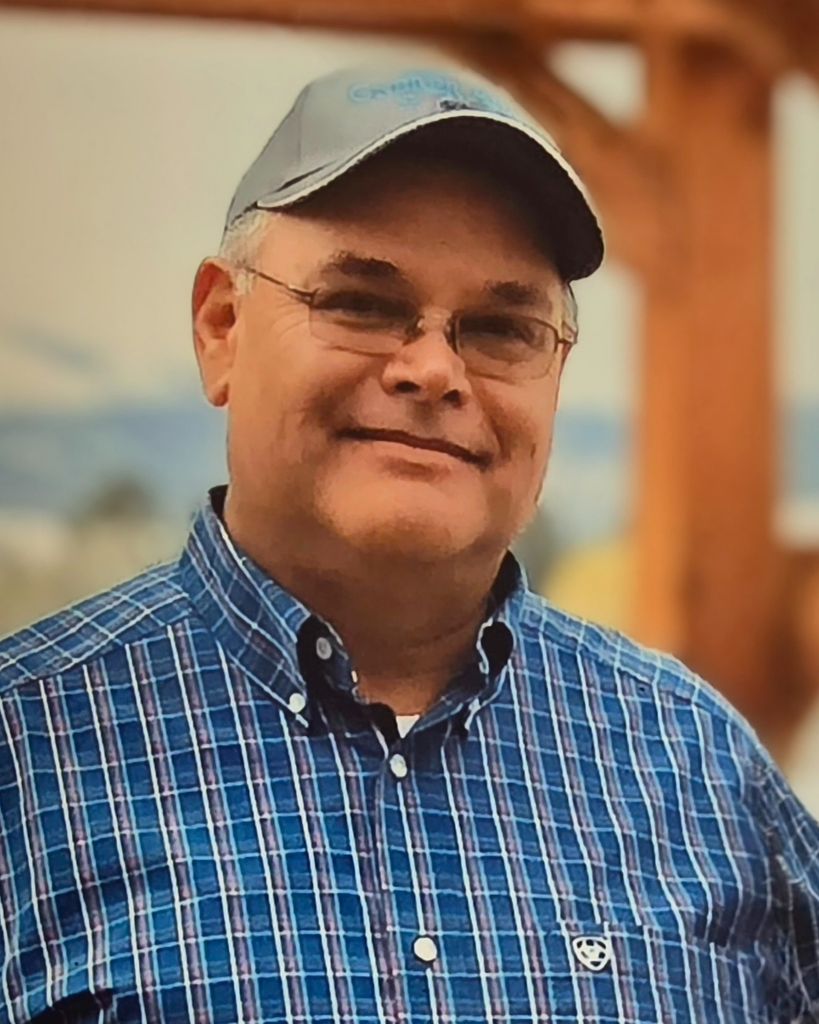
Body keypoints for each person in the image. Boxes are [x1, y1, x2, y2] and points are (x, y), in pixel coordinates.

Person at [0, 61, 817, 1024]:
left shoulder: (701, 770)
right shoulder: (27, 751)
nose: (432, 369)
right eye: (360, 304)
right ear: (221, 328)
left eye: (501, 328)